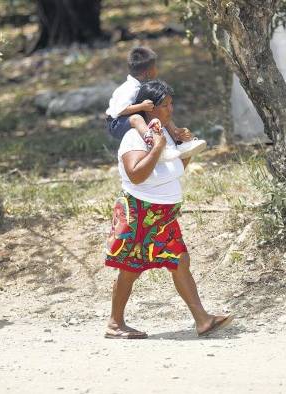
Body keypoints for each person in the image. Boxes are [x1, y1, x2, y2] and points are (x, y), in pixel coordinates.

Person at [104, 80, 234, 339]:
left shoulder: (163, 134)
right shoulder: (135, 137)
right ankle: (115, 323)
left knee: (179, 260)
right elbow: (136, 175)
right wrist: (159, 148)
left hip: (162, 215)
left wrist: (186, 149)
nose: (171, 110)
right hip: (140, 212)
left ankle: (203, 320)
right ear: (150, 109)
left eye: (172, 104)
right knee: (130, 268)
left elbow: (174, 171)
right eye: (166, 105)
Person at [105, 46, 206, 161]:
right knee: (136, 118)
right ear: (147, 72)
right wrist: (142, 106)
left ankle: (179, 141)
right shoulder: (130, 88)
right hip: (116, 123)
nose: (157, 70)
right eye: (155, 67)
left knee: (162, 113)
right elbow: (120, 110)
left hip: (128, 116)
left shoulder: (142, 84)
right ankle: (156, 146)